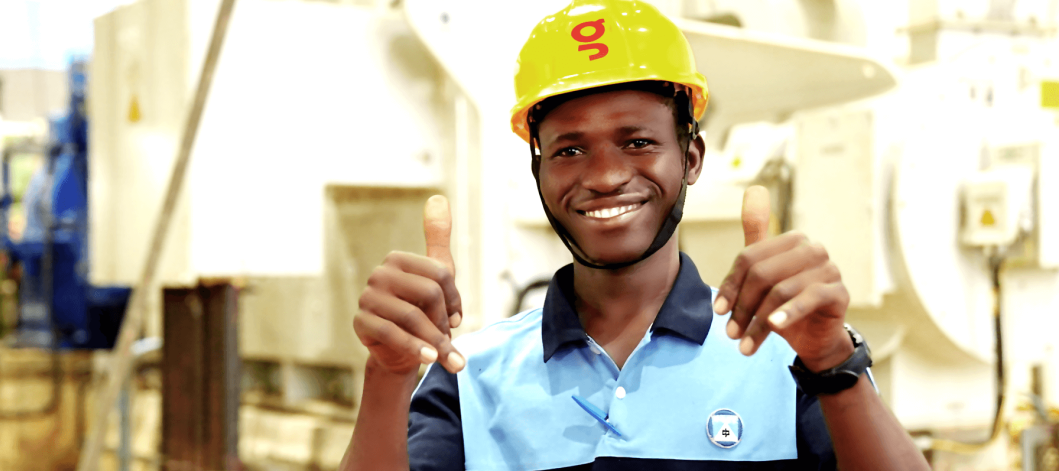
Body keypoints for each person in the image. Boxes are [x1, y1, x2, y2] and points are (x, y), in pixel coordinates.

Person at [340, 0, 930, 469]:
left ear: (691, 158)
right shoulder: (472, 374)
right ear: (538, 172)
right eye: (570, 150)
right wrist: (388, 376)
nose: (605, 176)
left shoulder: (787, 363)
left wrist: (832, 360)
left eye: (639, 142)